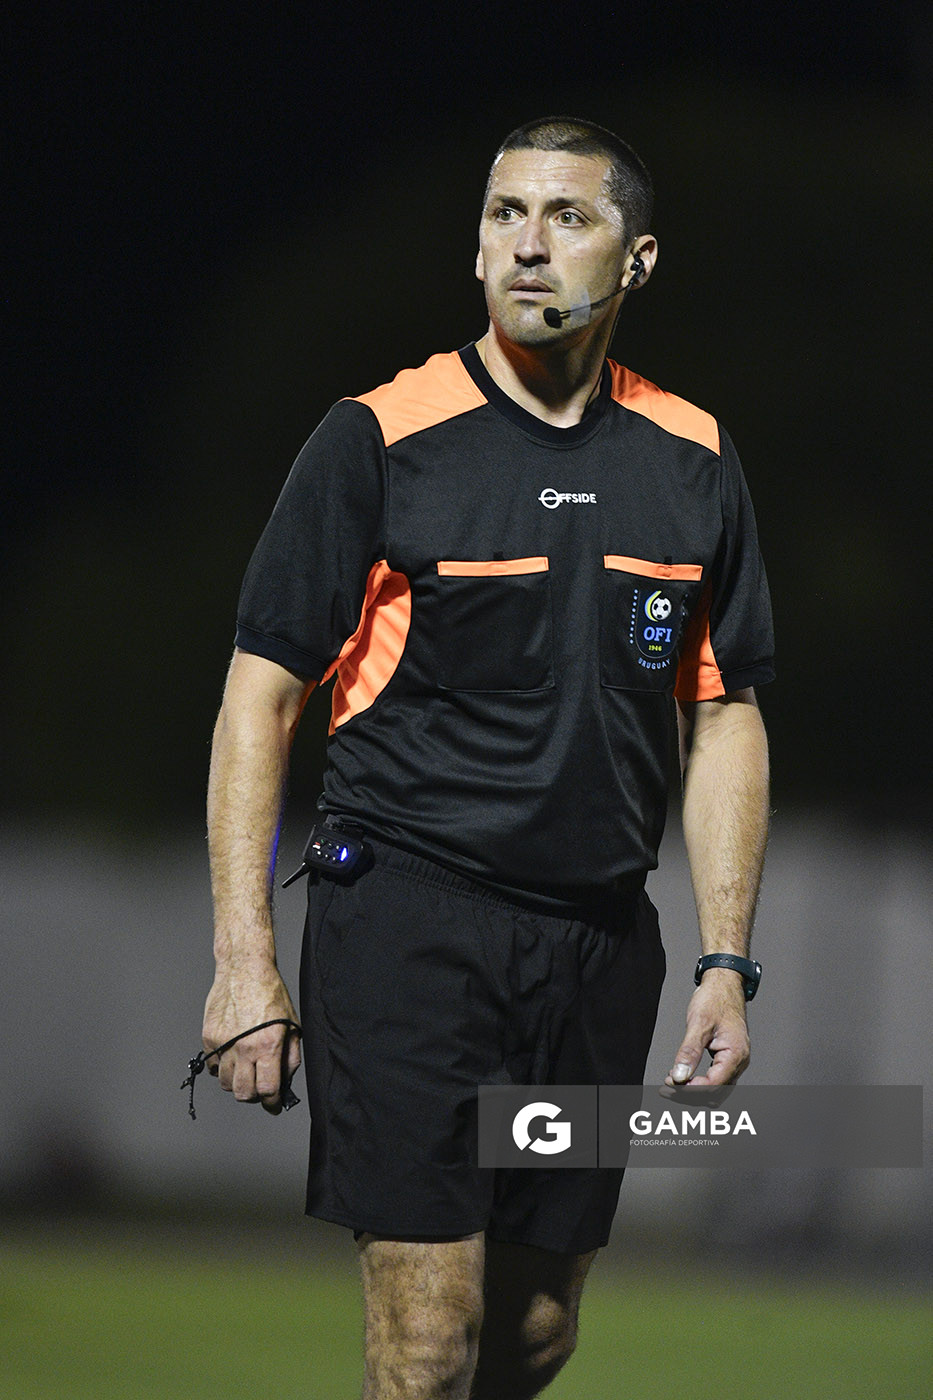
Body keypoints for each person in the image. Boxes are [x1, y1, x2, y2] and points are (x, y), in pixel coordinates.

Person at [202, 116, 773, 1400]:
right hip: (408, 928)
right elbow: (260, 698)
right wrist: (244, 962)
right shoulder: (378, 436)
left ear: (636, 261)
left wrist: (726, 960)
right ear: (474, 248)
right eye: (505, 214)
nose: (527, 242)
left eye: (568, 217)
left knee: (530, 1334)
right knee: (428, 1335)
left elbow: (727, 713)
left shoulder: (694, 458)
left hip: (594, 949)